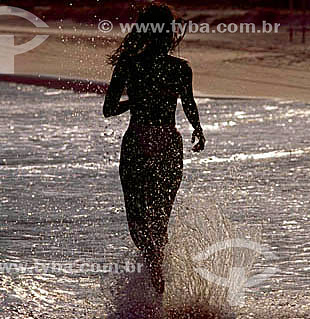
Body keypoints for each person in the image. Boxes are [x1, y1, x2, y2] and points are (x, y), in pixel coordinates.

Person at [102, 2, 206, 294]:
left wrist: (135, 102)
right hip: (167, 142)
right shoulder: (178, 68)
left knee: (139, 223)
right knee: (159, 220)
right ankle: (157, 284)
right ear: (170, 33)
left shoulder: (130, 65)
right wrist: (197, 130)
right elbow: (189, 106)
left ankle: (154, 283)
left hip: (138, 139)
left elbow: (109, 110)